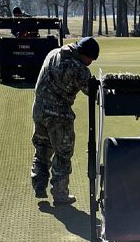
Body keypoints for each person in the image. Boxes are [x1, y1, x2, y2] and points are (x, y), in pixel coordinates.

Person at [30, 36, 100, 204]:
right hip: (58, 116)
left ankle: (39, 185)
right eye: (90, 59)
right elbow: (93, 93)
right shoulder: (79, 68)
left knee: (42, 148)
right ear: (84, 54)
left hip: (39, 109)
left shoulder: (54, 53)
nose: (90, 63)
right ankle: (60, 194)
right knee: (63, 154)